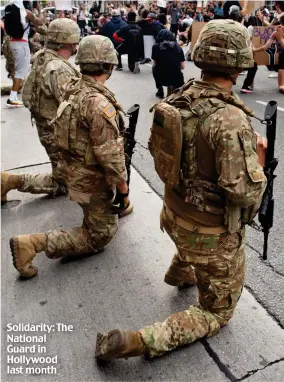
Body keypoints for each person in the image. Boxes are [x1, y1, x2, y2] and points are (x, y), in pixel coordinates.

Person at [95, 19, 267, 361]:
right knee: (216, 312)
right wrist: (258, 161)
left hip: (173, 213)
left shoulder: (180, 95)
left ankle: (180, 270)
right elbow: (244, 194)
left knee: (191, 237)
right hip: (207, 234)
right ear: (238, 64)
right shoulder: (229, 119)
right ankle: (138, 341)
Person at [9, 35, 132, 280]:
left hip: (73, 171)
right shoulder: (98, 103)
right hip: (90, 180)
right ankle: (33, 244)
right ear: (109, 65)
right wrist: (123, 191)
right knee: (101, 235)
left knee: (101, 217)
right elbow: (111, 158)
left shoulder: (73, 88)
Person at [1, 19, 81, 203]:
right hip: (57, 135)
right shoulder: (59, 69)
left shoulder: (43, 55)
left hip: (48, 129)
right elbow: (73, 107)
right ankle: (9, 181)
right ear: (68, 41)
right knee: (63, 184)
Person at [4, 0, 43, 108]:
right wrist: (39, 10)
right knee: (21, 72)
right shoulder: (26, 12)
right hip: (21, 44)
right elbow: (40, 22)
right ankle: (12, 98)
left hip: (14, 42)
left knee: (19, 71)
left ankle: (14, 96)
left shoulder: (11, 9)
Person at [253, 13, 284, 93]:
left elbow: (265, 47)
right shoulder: (276, 32)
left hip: (282, 58)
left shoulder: (276, 32)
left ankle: (282, 85)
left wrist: (255, 50)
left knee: (282, 68)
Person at [152, 29, 185, 98]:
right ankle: (175, 90)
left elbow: (155, 63)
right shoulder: (178, 47)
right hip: (176, 78)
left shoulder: (155, 47)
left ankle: (160, 91)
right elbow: (182, 67)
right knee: (177, 72)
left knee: (154, 68)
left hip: (161, 77)